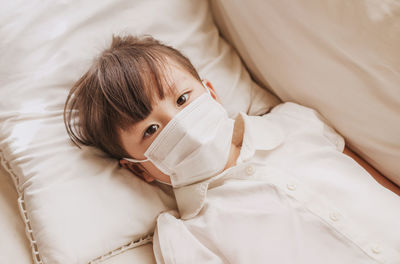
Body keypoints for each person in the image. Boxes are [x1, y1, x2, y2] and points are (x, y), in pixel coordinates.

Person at [64, 35, 400, 263]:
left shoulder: (296, 122)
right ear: (138, 167)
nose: (179, 124)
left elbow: (377, 183)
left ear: (211, 92)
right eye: (151, 130)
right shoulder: (187, 236)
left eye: (183, 99)